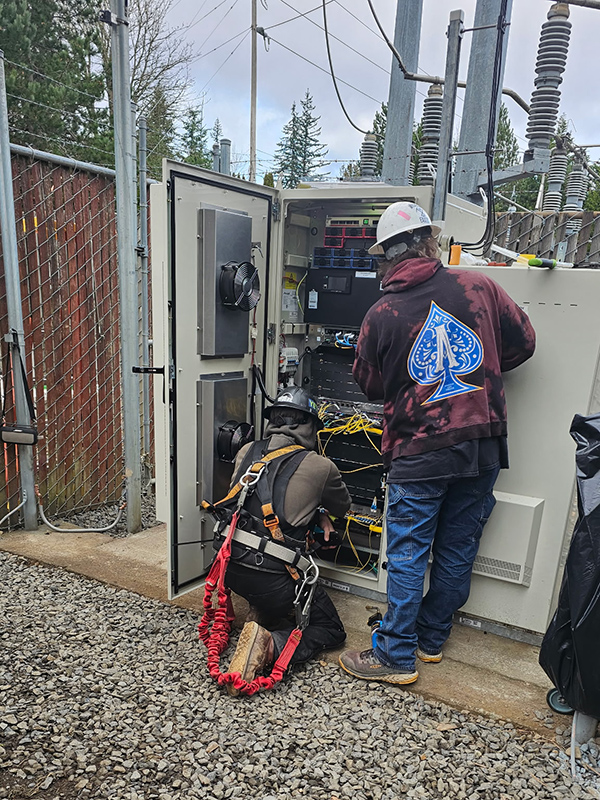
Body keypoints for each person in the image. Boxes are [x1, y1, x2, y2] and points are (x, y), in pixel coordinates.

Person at [339, 201, 536, 686]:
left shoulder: (382, 312)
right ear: (431, 242)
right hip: (481, 444)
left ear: (386, 257)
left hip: (419, 451)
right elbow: (524, 342)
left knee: (407, 552)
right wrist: (481, 369)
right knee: (457, 547)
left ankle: (394, 656)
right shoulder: (480, 286)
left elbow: (370, 385)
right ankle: (429, 639)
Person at [217, 386, 351, 695]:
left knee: (265, 566)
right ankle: (269, 645)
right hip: (273, 578)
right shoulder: (321, 466)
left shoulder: (246, 450)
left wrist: (313, 509)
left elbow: (250, 502)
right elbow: (342, 507)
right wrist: (319, 508)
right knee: (331, 630)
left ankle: (259, 611)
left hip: (230, 568)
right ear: (311, 427)